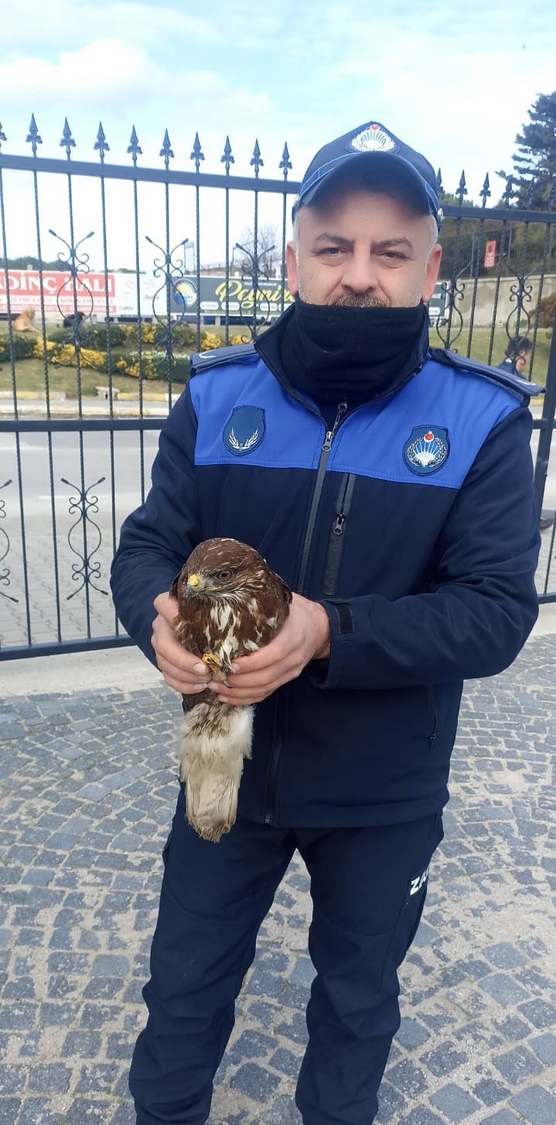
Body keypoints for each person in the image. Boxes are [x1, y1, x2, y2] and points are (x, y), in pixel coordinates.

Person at [110, 120, 541, 1125]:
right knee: (180, 994)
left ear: (430, 268)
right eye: (335, 247)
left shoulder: (480, 420)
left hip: (384, 786)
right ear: (294, 253)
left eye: (390, 252)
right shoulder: (217, 398)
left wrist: (327, 633)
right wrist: (153, 618)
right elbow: (145, 547)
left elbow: (494, 615)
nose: (360, 275)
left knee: (356, 1009)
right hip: (225, 765)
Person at [497, 338, 553, 530]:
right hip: (506, 438)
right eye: (528, 355)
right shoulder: (512, 377)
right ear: (522, 355)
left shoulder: (499, 371)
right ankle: (526, 523)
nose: (528, 359)